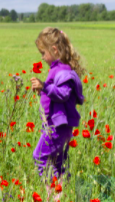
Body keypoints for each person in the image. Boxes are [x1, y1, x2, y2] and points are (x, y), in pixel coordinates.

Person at [30, 27, 85, 185]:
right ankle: (62, 196)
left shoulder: (63, 71)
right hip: (55, 126)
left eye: (43, 53)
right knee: (58, 164)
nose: (42, 58)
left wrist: (44, 87)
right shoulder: (57, 70)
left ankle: (53, 191)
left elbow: (63, 94)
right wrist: (42, 92)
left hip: (56, 127)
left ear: (54, 50)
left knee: (40, 157)